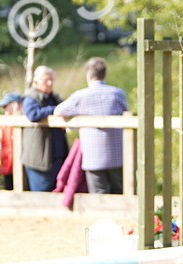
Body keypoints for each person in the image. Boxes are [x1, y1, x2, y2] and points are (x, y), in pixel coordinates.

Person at [54, 57, 129, 194]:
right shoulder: (117, 94)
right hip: (117, 155)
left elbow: (58, 111)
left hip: (93, 156)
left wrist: (75, 118)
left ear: (88, 75)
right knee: (120, 192)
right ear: (104, 74)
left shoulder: (80, 96)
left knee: (98, 194)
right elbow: (127, 113)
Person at [22, 66, 69, 192]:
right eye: (46, 80)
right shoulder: (30, 98)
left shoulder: (54, 98)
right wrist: (54, 110)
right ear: (36, 81)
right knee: (41, 195)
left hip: (57, 157)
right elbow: (33, 114)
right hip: (39, 161)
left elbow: (67, 108)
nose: (49, 83)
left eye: (51, 80)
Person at [0, 91, 24, 190]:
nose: (4, 110)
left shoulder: (25, 121)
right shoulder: (4, 125)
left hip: (23, 168)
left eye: (5, 106)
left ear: (16, 105)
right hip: (8, 168)